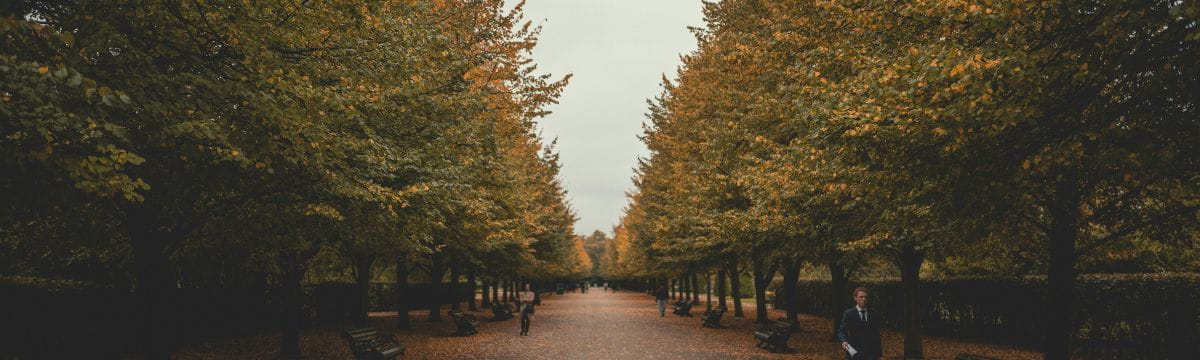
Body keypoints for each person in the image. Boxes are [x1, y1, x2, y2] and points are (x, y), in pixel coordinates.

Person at [838, 287, 883, 360]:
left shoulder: (873, 314)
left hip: (871, 354)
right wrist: (844, 341)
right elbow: (841, 331)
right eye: (861, 297)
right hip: (855, 353)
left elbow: (876, 335)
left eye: (865, 297)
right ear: (855, 298)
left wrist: (879, 355)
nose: (864, 299)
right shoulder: (848, 314)